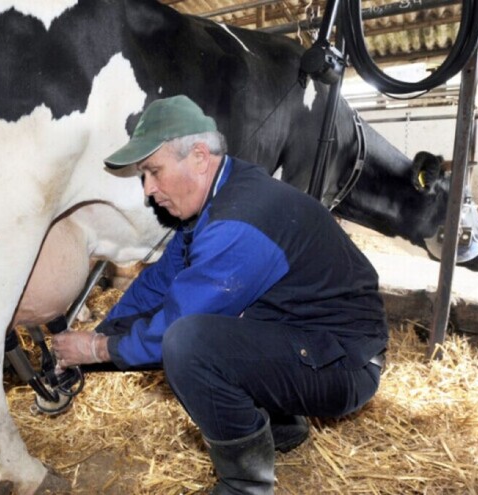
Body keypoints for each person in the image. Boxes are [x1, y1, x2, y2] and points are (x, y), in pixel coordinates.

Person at [53, 95, 388, 494]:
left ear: (198, 156)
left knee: (190, 344)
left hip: (344, 365)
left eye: (154, 171)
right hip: (309, 341)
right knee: (214, 326)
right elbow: (161, 280)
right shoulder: (220, 196)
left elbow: (172, 328)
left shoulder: (237, 222)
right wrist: (108, 330)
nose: (148, 190)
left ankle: (245, 484)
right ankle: (282, 426)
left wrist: (97, 350)